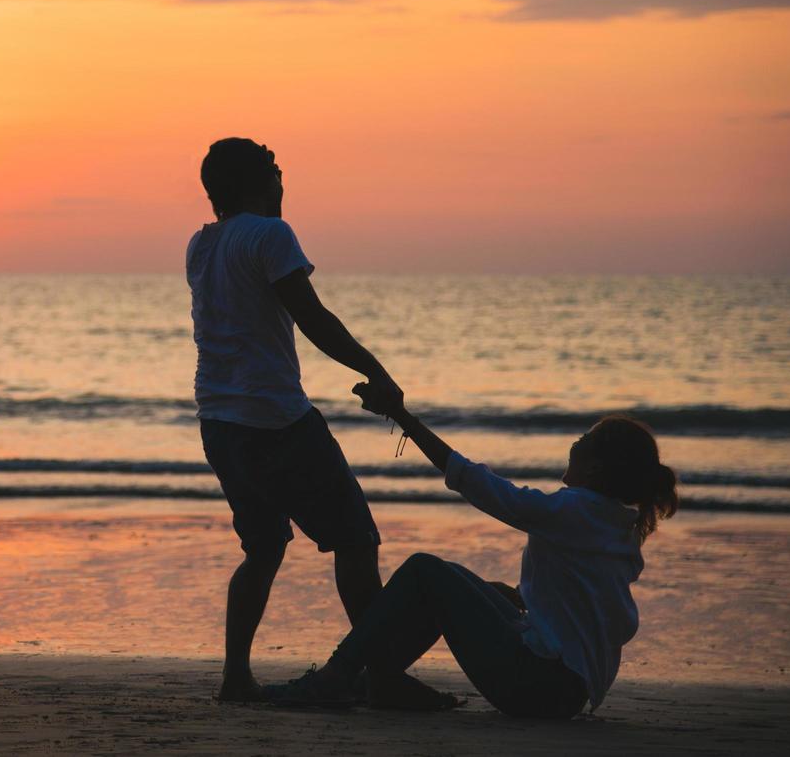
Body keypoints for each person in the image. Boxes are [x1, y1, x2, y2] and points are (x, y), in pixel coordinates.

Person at [276, 400, 679, 717]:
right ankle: (383, 680)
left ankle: (337, 676)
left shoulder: (575, 510)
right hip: (565, 693)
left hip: (537, 688)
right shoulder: (616, 526)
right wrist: (529, 605)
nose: (574, 443)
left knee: (424, 570)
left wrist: (403, 417)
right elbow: (607, 615)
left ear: (594, 467)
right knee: (464, 583)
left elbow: (482, 486)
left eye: (583, 439)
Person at [187, 137, 405, 702]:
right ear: (264, 183)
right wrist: (375, 370)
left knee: (262, 549)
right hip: (276, 421)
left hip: (219, 422)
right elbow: (311, 317)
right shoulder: (269, 235)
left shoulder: (201, 246)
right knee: (356, 539)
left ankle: (236, 677)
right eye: (278, 174)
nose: (284, 185)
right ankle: (381, 676)